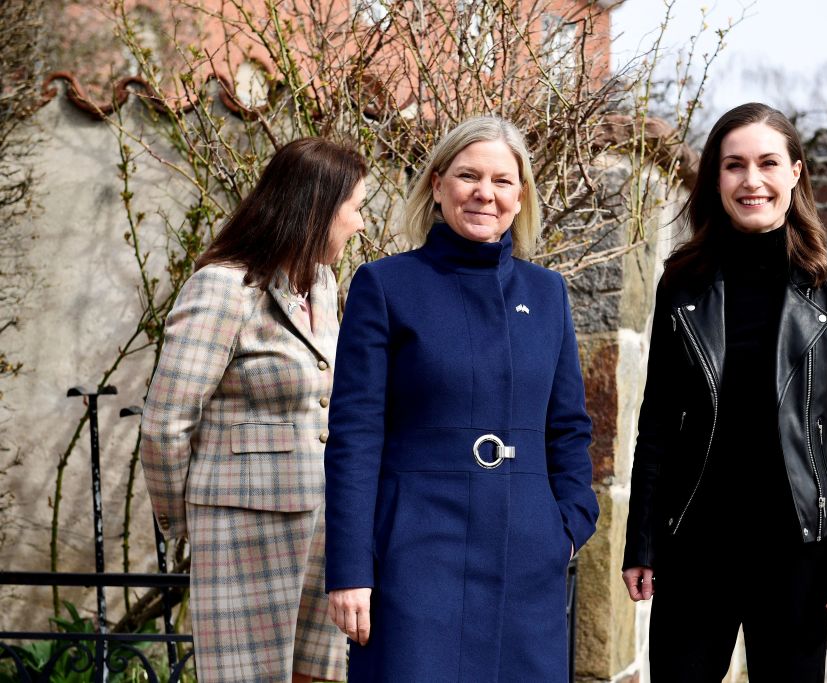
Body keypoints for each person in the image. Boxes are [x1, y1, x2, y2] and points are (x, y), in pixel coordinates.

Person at [323, 115, 600, 682]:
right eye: (468, 175)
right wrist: (350, 568)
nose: (485, 193)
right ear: (437, 185)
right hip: (415, 553)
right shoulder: (384, 285)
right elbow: (355, 436)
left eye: (502, 181)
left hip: (526, 553)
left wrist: (569, 525)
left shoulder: (546, 294)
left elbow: (568, 426)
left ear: (520, 198)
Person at [621, 102, 827, 682]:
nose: (752, 180)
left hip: (797, 550)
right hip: (696, 544)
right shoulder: (683, 282)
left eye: (767, 163)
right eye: (734, 165)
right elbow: (657, 421)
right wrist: (641, 541)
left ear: (796, 172)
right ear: (716, 179)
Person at [140, 138, 367, 682]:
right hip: (243, 529)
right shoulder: (223, 288)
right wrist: (186, 518)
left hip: (322, 528)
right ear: (316, 209)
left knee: (317, 676)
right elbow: (166, 422)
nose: (359, 224)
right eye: (354, 209)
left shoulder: (323, 285)